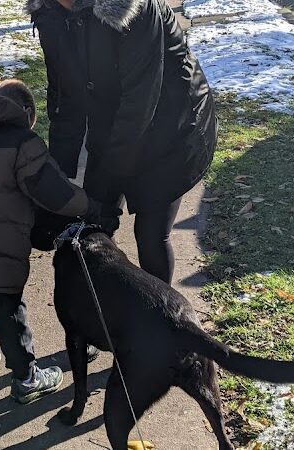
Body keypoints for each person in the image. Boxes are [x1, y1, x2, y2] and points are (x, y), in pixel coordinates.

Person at [0, 78, 118, 404]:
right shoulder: (21, 142)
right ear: (24, 110)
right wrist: (93, 208)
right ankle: (26, 377)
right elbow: (53, 193)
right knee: (7, 309)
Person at [29, 0, 218, 284]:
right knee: (91, 225)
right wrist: (61, 173)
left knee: (151, 233)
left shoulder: (135, 8)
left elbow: (140, 101)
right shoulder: (49, 13)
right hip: (113, 117)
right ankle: (104, 318)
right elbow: (63, 95)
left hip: (172, 125)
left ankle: (161, 320)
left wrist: (111, 173)